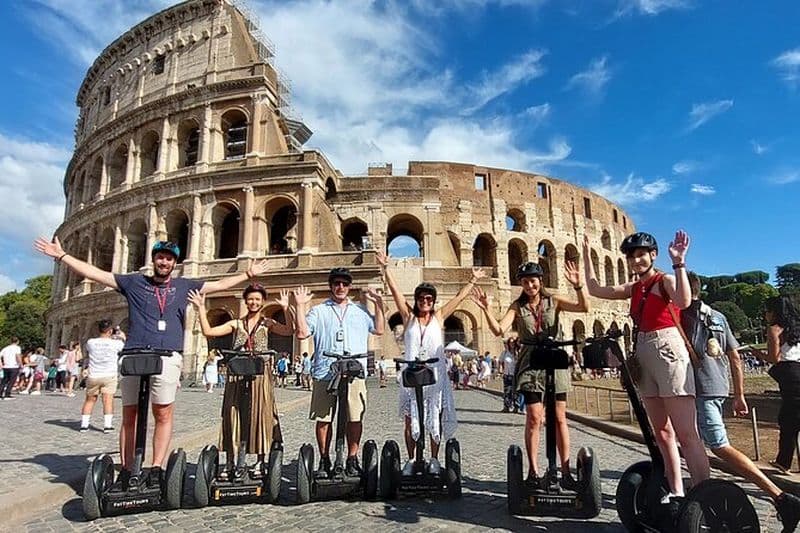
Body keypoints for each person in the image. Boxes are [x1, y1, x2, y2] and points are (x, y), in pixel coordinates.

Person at [34, 236, 269, 488]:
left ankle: (156, 468)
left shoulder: (184, 286)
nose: (164, 262)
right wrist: (62, 256)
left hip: (167, 355)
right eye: (160, 257)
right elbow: (97, 273)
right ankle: (126, 469)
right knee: (130, 414)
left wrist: (247, 274)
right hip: (135, 354)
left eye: (169, 258)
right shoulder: (133, 282)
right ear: (154, 260)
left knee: (163, 412)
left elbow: (220, 284)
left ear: (174, 263)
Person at [584, 231, 709, 502]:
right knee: (662, 432)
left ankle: (703, 494)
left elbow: (684, 301)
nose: (636, 260)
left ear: (652, 255)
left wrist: (679, 262)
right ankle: (676, 489)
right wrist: (585, 254)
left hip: (667, 349)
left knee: (687, 433)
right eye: (631, 256)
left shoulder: (664, 280)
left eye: (641, 254)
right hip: (643, 352)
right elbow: (596, 290)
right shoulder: (635, 288)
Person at [683, 273, 800, 531]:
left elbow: (766, 357)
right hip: (717, 386)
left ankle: (779, 497)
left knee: (719, 445)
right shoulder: (718, 316)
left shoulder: (683, 314)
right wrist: (738, 395)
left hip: (702, 387)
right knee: (695, 441)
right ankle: (699, 485)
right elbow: (735, 358)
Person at [473, 259, 588, 488]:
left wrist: (577, 286)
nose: (529, 286)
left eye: (532, 281)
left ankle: (565, 471)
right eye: (525, 282)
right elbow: (498, 330)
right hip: (530, 362)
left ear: (540, 281)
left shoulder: (553, 301)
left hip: (554, 359)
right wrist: (485, 309)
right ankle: (534, 471)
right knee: (534, 417)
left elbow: (583, 308)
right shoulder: (517, 306)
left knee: (559, 417)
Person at [377, 250, 481, 475]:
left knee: (435, 417)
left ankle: (434, 458)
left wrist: (472, 280)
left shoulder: (439, 317)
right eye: (422, 298)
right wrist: (385, 269)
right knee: (410, 419)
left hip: (435, 374)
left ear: (433, 302)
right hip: (411, 373)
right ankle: (412, 459)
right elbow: (395, 291)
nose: (425, 301)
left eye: (429, 299)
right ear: (416, 300)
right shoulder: (408, 317)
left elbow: (459, 299)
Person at [189, 284, 292, 477]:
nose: (254, 302)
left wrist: (286, 308)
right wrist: (201, 308)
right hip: (236, 372)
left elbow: (289, 331)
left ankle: (261, 462)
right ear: (246, 301)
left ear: (262, 302)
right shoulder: (236, 324)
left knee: (260, 414)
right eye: (251, 299)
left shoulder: (267, 322)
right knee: (232, 412)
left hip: (260, 373)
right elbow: (209, 332)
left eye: (257, 299)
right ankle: (230, 462)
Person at [293, 267, 385, 478]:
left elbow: (379, 329)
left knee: (355, 418)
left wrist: (379, 304)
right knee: (324, 419)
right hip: (325, 372)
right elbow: (302, 333)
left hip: (354, 372)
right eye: (336, 283)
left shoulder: (360, 310)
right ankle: (325, 459)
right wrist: (299, 306)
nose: (340, 287)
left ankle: (352, 458)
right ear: (331, 286)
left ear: (350, 286)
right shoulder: (319, 310)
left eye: (344, 283)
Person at [752, 296, 800, 474]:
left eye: (767, 311)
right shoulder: (796, 329)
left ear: (774, 312)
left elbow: (774, 358)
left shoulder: (774, 329)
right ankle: (783, 461)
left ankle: (783, 462)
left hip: (790, 374)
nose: (765, 314)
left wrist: (758, 354)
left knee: (789, 420)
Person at [80, 320, 125, 433]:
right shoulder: (116, 343)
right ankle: (107, 426)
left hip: (94, 374)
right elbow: (123, 348)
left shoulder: (91, 342)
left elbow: (89, 350)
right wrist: (122, 337)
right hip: (109, 375)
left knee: (90, 400)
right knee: (108, 400)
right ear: (110, 331)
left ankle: (84, 425)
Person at [500, 338, 519, 413]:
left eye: (513, 342)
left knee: (515, 392)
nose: (512, 344)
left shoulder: (517, 352)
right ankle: (506, 407)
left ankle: (516, 407)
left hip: (515, 375)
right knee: (507, 391)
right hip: (507, 375)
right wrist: (500, 370)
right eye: (510, 343)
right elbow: (500, 362)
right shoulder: (504, 353)